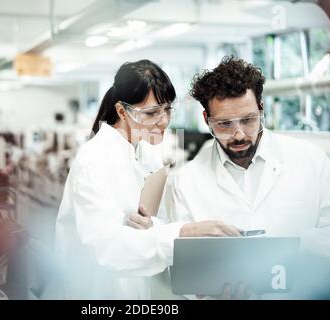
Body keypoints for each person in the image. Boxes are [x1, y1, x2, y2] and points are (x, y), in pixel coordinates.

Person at [166, 56, 330, 298]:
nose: (238, 134)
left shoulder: (310, 159)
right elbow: (183, 263)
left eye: (247, 120)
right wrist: (208, 292)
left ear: (261, 107)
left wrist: (288, 250)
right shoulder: (187, 180)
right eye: (224, 124)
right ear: (206, 120)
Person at [54, 59, 241, 299]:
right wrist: (184, 233)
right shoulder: (94, 160)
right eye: (152, 112)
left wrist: (154, 228)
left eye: (167, 109)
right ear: (122, 111)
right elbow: (106, 248)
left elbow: (150, 224)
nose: (164, 121)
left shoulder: (144, 153)